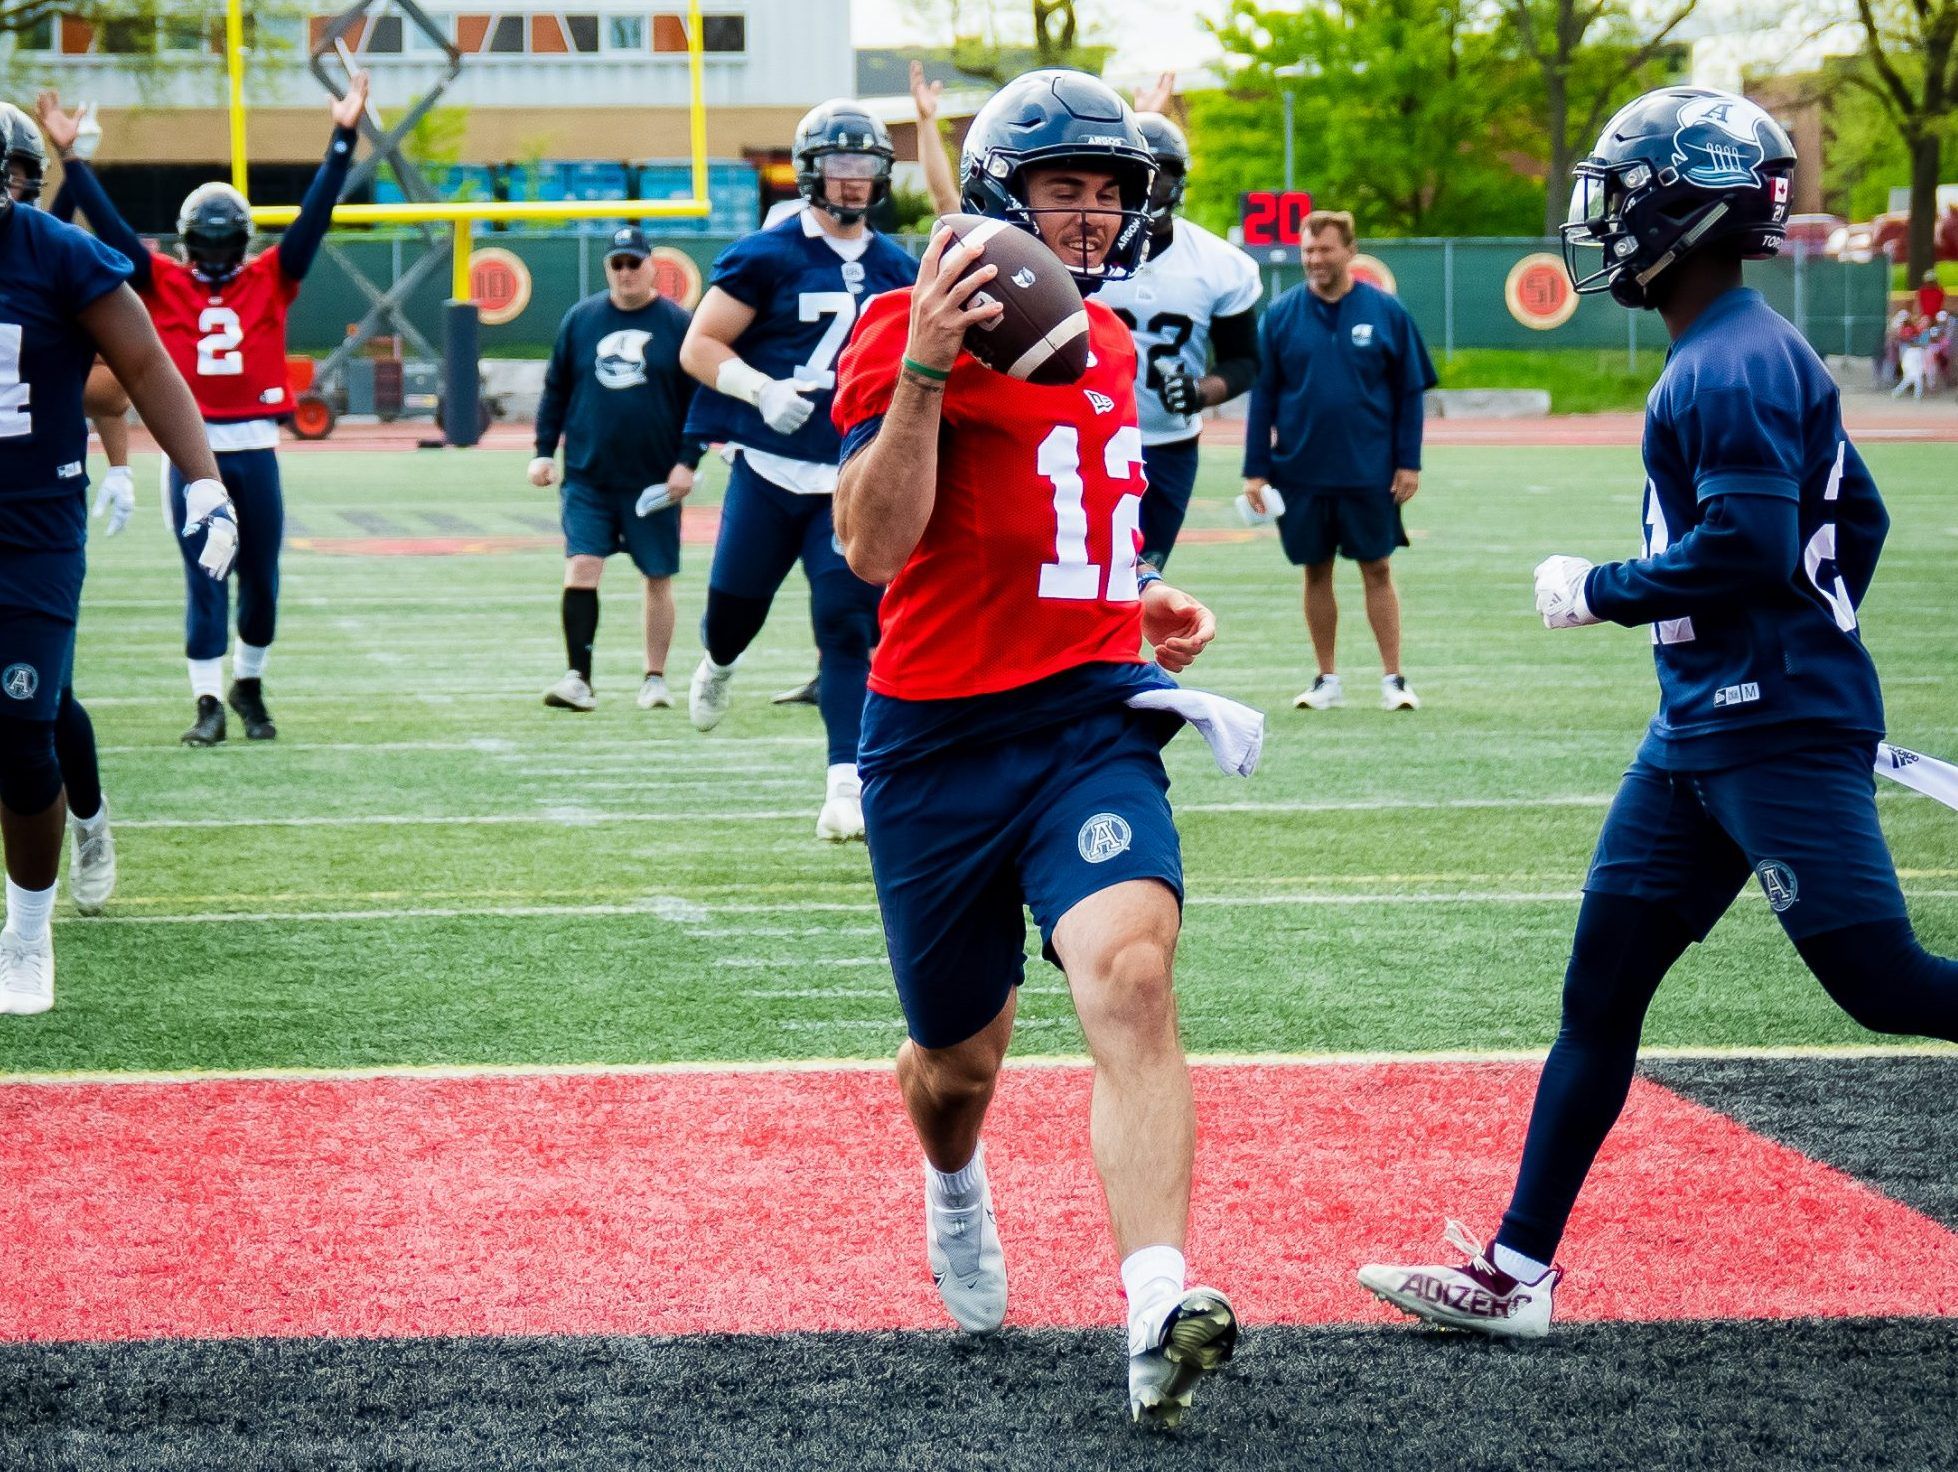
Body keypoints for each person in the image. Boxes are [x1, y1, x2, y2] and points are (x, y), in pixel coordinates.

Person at [1358, 86, 1958, 1338]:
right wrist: (1776, 632)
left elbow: (1748, 544)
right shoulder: (1729, 347)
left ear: (1687, 209)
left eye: (1621, 194)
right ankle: (1513, 1269)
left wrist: (1602, 591)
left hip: (1770, 728)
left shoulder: (1733, 358)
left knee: (1885, 984)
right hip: (1704, 727)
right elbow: (1855, 524)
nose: (1604, 218)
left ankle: (1514, 1263)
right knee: (1599, 997)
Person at [832, 69, 1259, 1428]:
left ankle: (1153, 1304)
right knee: (954, 1071)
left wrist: (1131, 601)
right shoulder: (903, 322)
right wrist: (922, 372)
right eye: (1066, 187)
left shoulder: (1119, 347)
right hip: (938, 742)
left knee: (1130, 975)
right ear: (1004, 197)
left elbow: (1063, 528)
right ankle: (953, 1182)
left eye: (1110, 189)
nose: (1090, 214)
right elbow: (870, 547)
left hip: (1088, 721)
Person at [38, 75, 367, 745]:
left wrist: (343, 140)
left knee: (262, 582)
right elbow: (114, 231)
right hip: (196, 453)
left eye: (224, 248)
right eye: (208, 248)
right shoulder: (161, 279)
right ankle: (207, 700)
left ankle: (248, 683)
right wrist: (71, 161)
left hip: (256, 449)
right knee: (206, 580)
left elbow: (314, 217)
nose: (215, 261)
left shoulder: (270, 276)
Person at [0, 100, 235, 1014]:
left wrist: (202, 480)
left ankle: (25, 933)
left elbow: (141, 369)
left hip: (30, 525)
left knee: (25, 727)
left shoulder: (57, 255)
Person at [679, 100, 917, 841]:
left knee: (847, 628)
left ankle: (845, 783)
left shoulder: (897, 267)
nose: (854, 182)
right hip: (770, 470)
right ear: (813, 172)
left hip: (848, 481)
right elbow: (700, 346)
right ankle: (717, 662)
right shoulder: (767, 253)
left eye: (866, 168)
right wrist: (759, 388)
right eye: (841, 167)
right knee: (733, 615)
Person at [1242, 210, 1435, 712]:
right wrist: (1256, 470)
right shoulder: (1280, 315)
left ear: (1349, 251)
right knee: (1314, 571)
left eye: (1324, 249)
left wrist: (1408, 462)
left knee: (1377, 568)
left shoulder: (1386, 312)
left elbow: (1409, 393)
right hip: (1299, 470)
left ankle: (1394, 679)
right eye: (1308, 250)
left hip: (1368, 469)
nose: (1314, 259)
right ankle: (1326, 679)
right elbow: (1262, 398)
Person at [530, 226, 701, 712]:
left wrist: (688, 461)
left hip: (653, 480)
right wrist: (543, 451)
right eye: (617, 264)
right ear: (608, 269)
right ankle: (577, 677)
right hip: (589, 475)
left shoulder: (677, 323)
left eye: (634, 263)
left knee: (657, 576)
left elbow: (698, 401)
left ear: (651, 266)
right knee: (582, 565)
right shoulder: (581, 319)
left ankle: (654, 677)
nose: (626, 272)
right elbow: (555, 389)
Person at [1096, 108, 1262, 569]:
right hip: (1090, 433)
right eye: (1139, 173)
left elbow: (1245, 360)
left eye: (1161, 174)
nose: (1150, 189)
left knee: (1142, 575)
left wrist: (1200, 391)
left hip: (1168, 445)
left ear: (1179, 181)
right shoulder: (1083, 249)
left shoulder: (1219, 264)